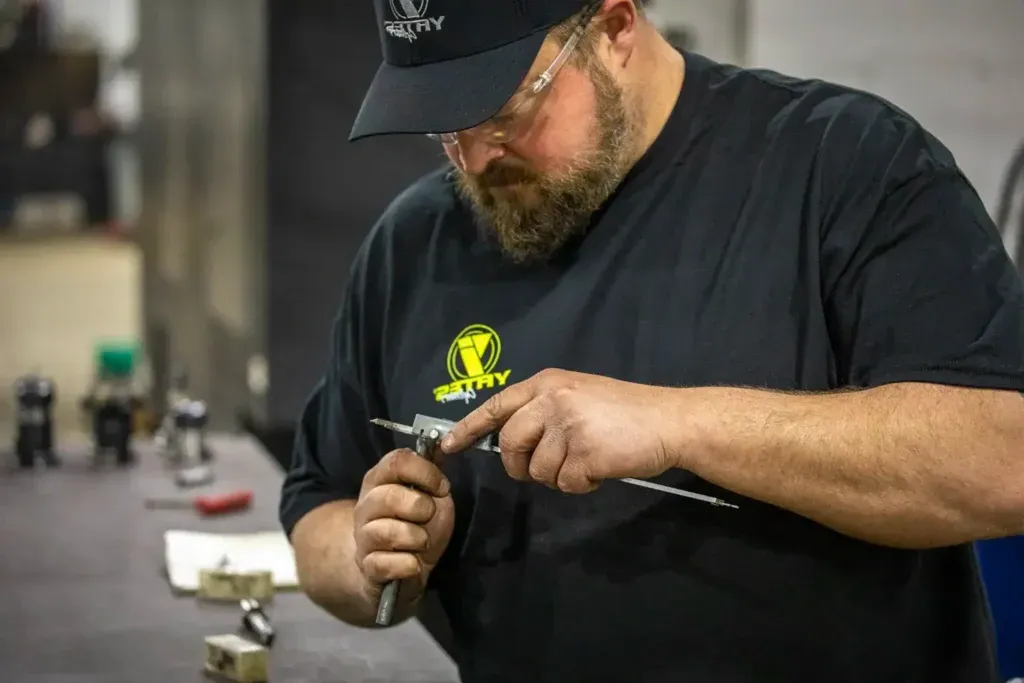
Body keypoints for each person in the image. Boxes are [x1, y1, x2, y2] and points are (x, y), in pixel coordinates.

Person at [279, 0, 1024, 680]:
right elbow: (321, 501)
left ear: (614, 27)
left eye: (503, 114)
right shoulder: (414, 245)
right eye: (446, 128)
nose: (473, 158)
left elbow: (1002, 459)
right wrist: (369, 553)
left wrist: (679, 423)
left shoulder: (847, 167)